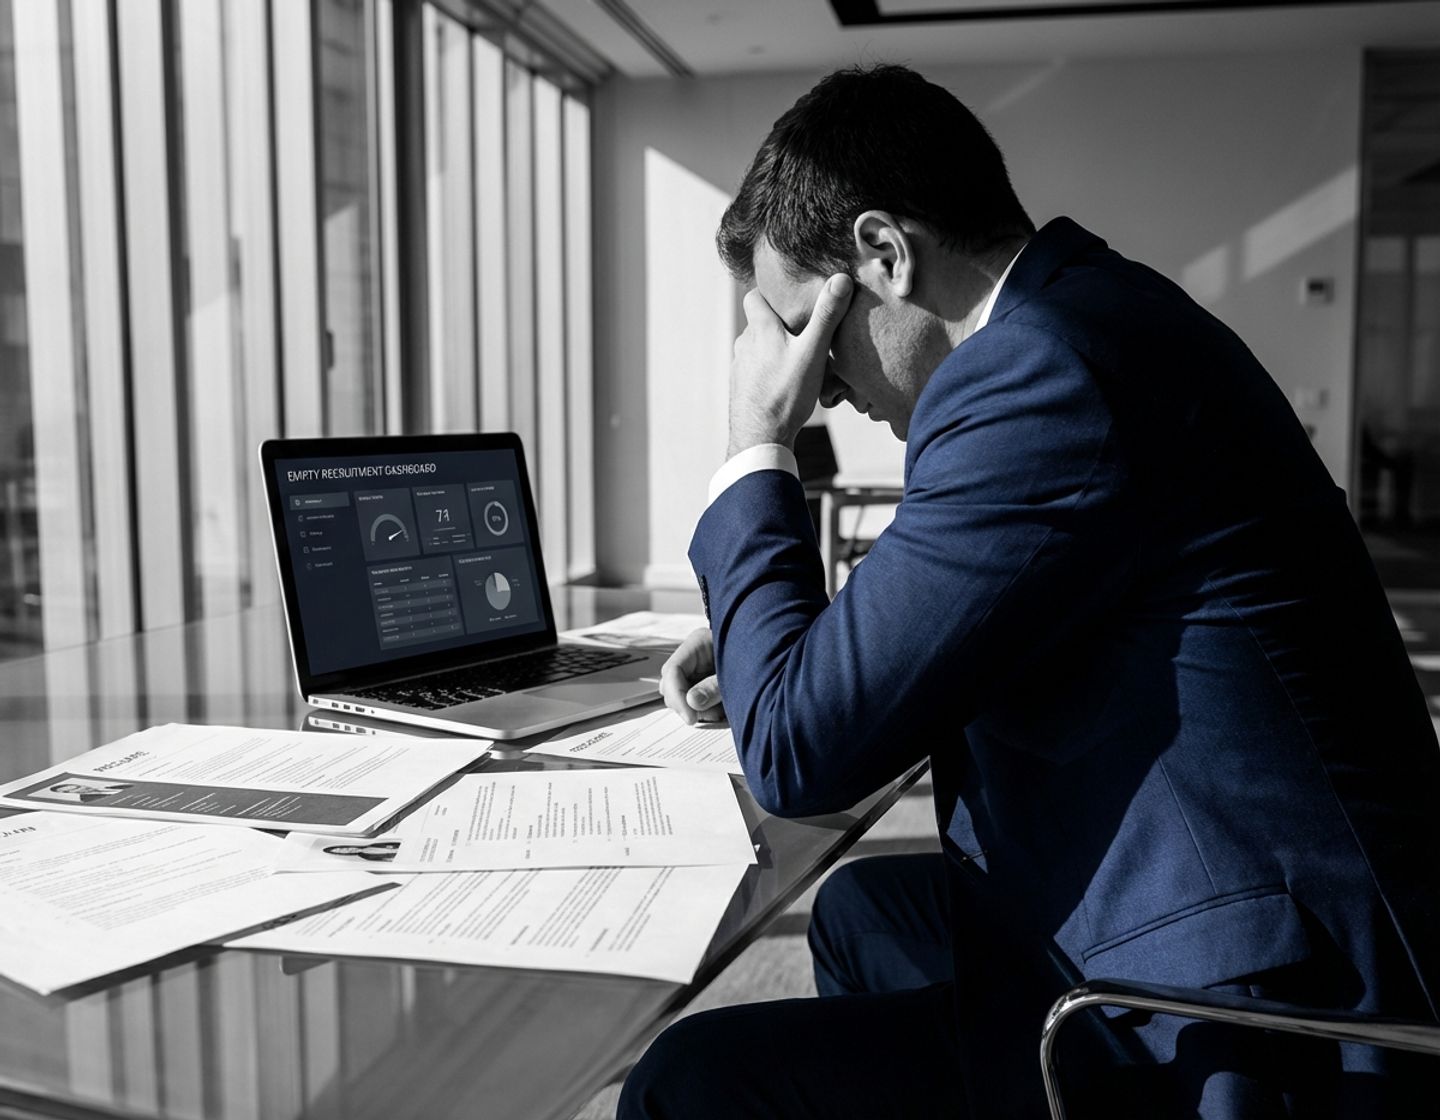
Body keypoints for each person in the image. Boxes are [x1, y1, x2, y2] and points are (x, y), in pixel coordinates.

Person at [618, 65, 1440, 1118]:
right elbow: (975, 615)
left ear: (885, 253)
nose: (814, 383)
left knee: (691, 1084)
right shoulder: (1087, 313)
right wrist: (790, 653)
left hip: (1259, 1008)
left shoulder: (1047, 368)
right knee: (866, 910)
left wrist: (756, 441)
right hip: (1236, 886)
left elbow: (799, 753)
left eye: (807, 333)